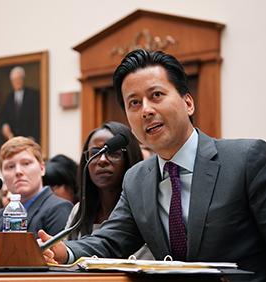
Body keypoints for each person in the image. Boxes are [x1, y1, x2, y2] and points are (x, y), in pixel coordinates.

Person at [39, 49, 266, 282]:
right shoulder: (136, 179)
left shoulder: (245, 159)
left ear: (188, 102)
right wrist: (63, 252)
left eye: (156, 95)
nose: (145, 110)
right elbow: (111, 240)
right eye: (134, 103)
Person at [65, 121, 143, 240]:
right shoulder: (79, 210)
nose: (102, 160)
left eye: (113, 153)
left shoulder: (143, 210)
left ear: (130, 159)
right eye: (95, 153)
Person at [0, 136, 73, 236]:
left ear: (42, 168)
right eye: (10, 166)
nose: (18, 171)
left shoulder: (59, 209)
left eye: (26, 163)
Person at [0, 66, 40, 144]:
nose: (16, 82)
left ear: (23, 79)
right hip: (13, 141)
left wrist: (33, 137)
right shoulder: (9, 98)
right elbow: (3, 116)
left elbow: (37, 117)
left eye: (18, 79)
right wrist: (4, 126)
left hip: (29, 139)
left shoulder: (33, 95)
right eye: (14, 80)